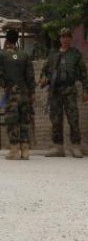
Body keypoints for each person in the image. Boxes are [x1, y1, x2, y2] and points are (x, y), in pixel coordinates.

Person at [0, 28, 35, 161]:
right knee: (24, 121)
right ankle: (25, 151)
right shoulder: (25, 55)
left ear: (7, 40)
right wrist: (32, 93)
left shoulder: (3, 55)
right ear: (17, 39)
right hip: (25, 93)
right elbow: (30, 76)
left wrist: (2, 49)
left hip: (11, 93)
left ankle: (14, 151)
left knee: (12, 121)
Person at [40, 27, 88, 158]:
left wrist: (85, 91)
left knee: (73, 118)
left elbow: (84, 74)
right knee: (56, 119)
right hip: (55, 91)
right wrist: (43, 79)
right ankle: (58, 147)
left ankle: (76, 146)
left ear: (70, 39)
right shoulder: (53, 54)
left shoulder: (75, 54)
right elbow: (44, 70)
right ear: (59, 39)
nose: (65, 39)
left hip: (69, 90)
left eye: (67, 36)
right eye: (62, 37)